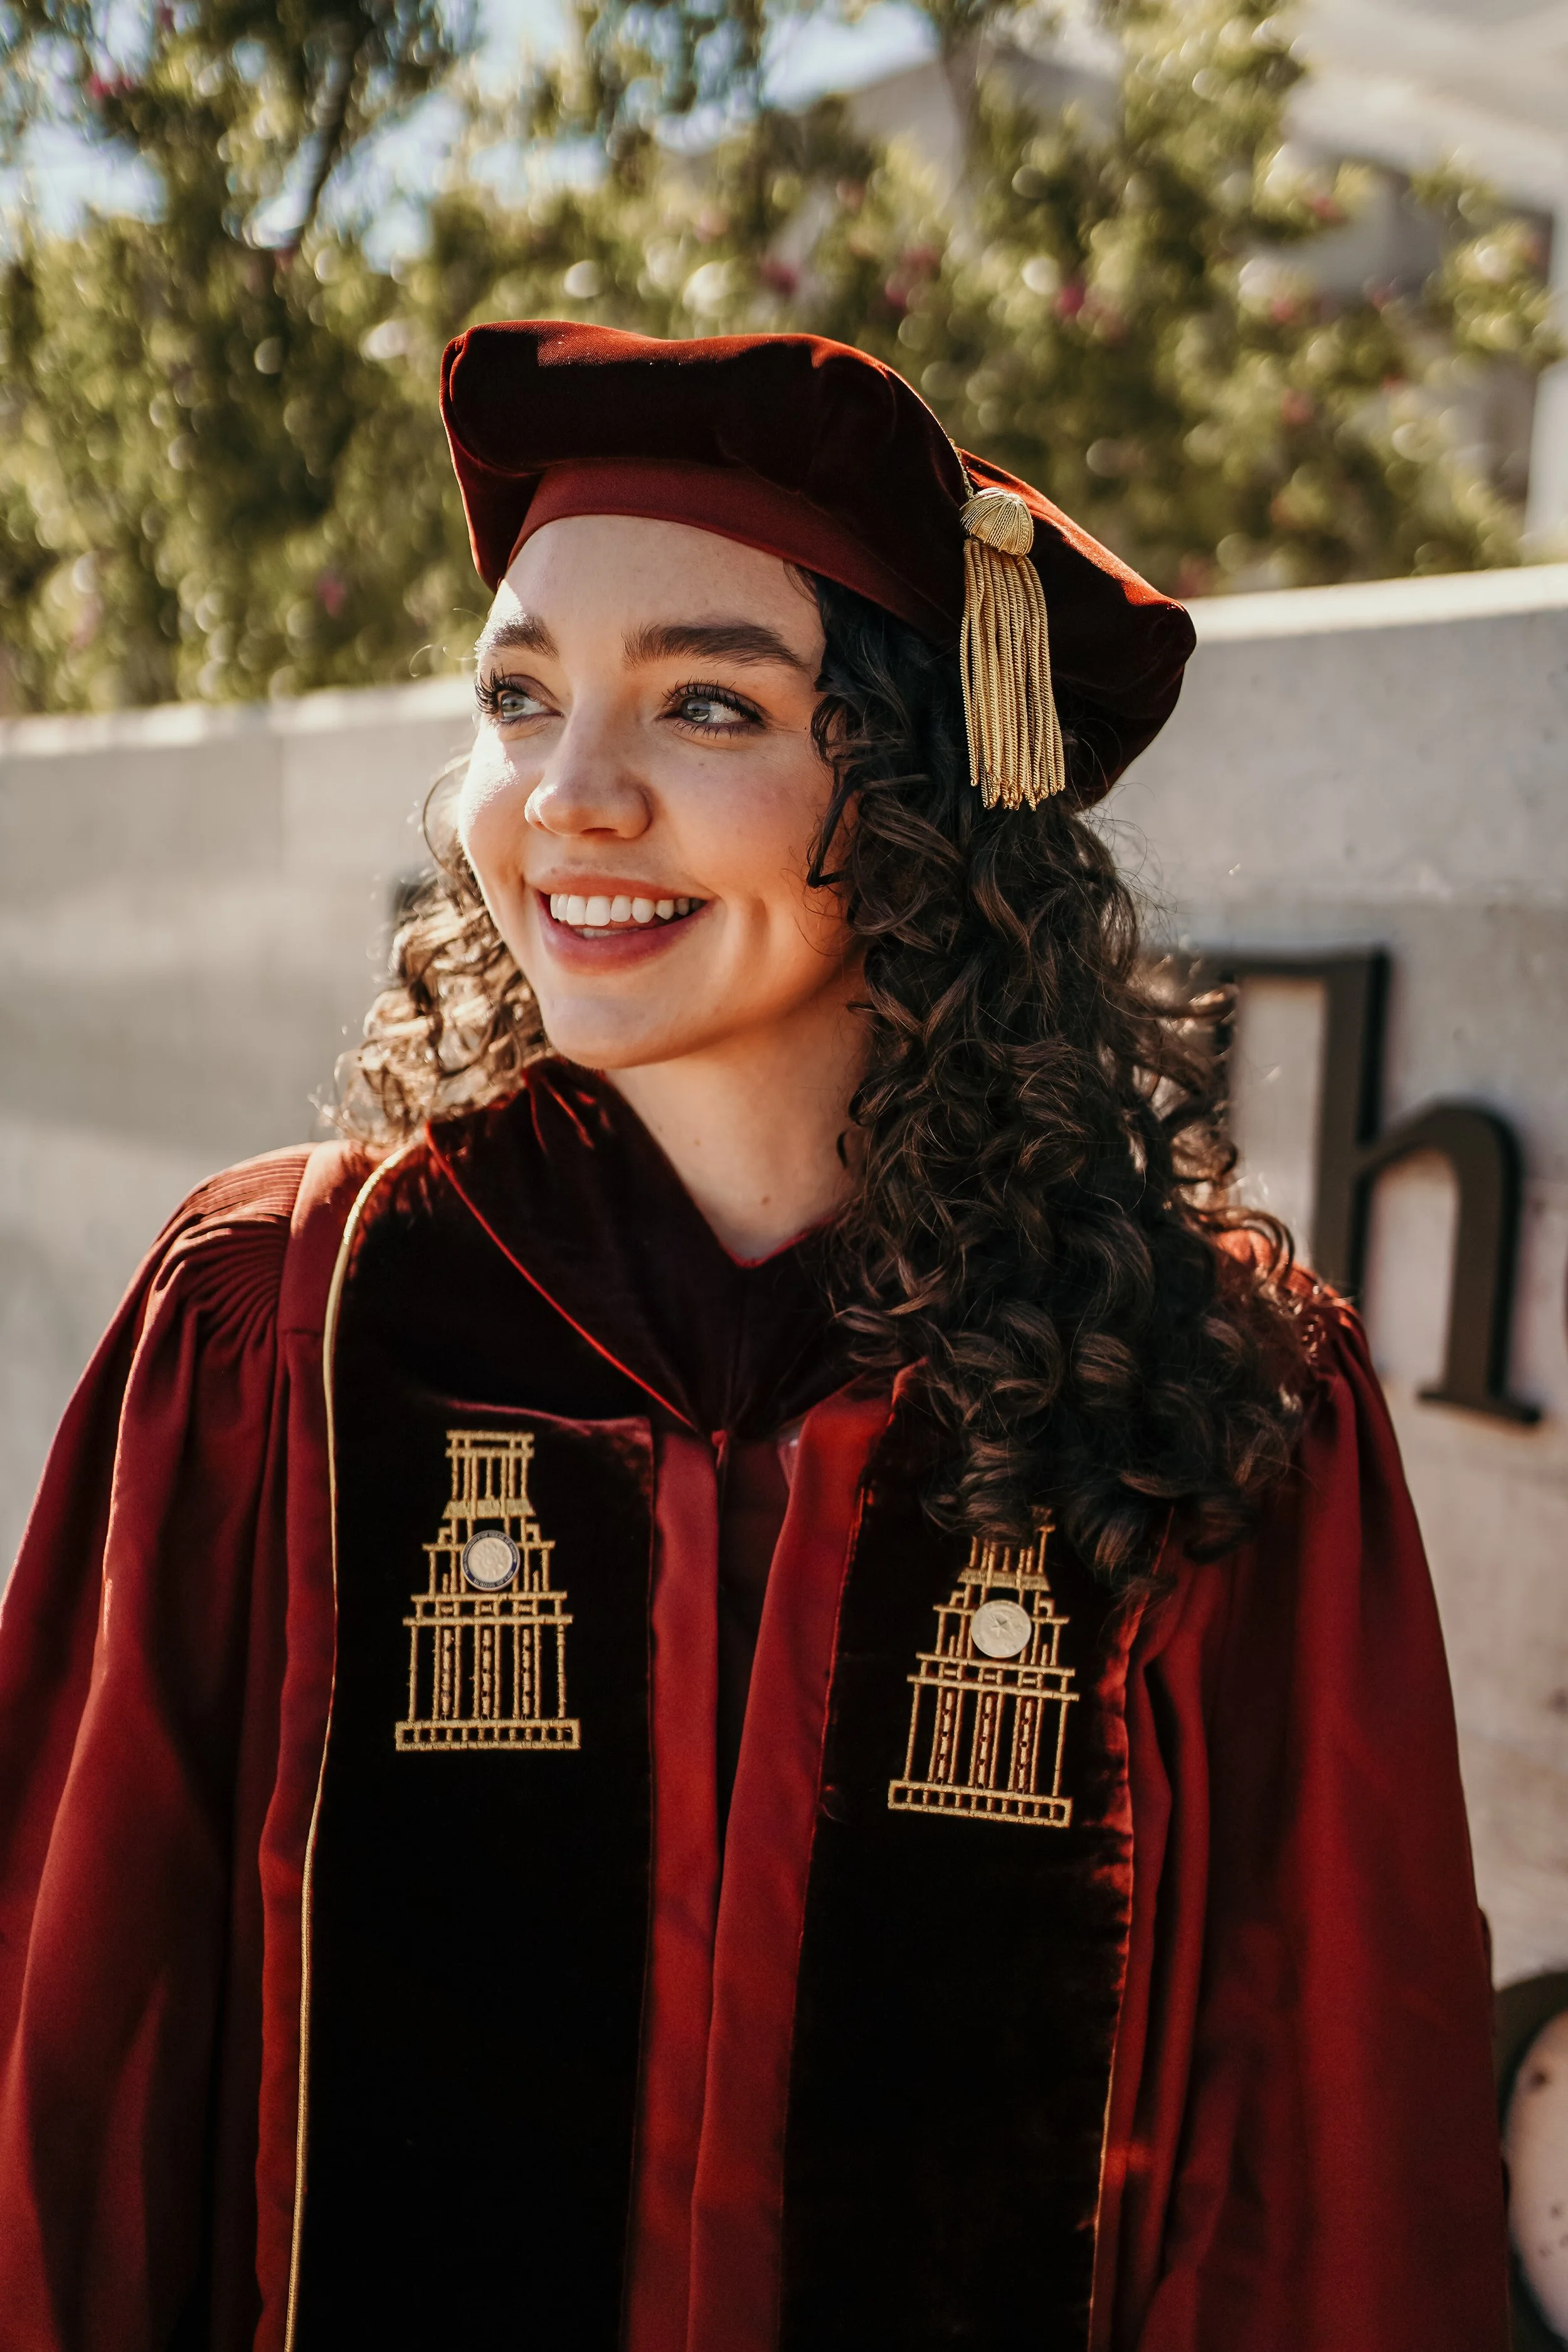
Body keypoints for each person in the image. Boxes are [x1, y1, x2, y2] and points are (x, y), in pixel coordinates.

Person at [0, 322, 1507, 2352]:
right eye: (516, 699)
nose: (569, 797)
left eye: (704, 701)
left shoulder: (1203, 1391)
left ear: (913, 797)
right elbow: (62, 2099)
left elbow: (1323, 2184)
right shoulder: (292, 1331)